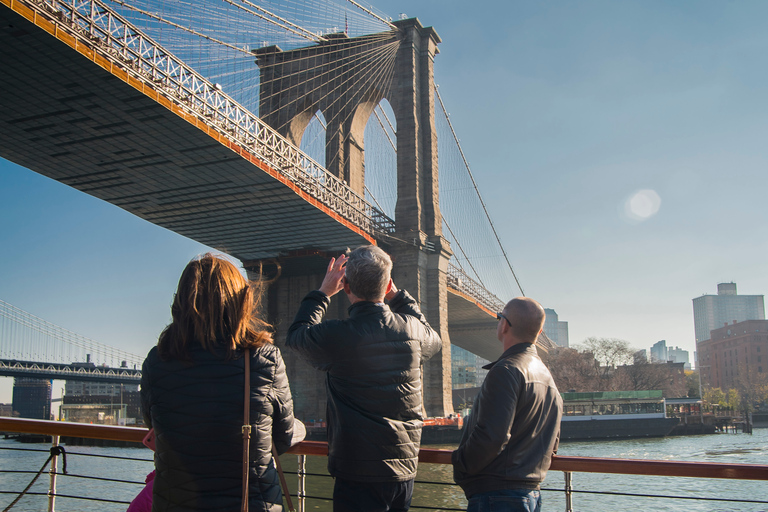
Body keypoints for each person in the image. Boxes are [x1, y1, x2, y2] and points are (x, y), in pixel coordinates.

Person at [141, 254, 304, 512]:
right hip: (251, 504)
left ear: (181, 302)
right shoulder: (264, 359)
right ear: (240, 300)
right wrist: (301, 428)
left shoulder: (157, 361)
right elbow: (282, 437)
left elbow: (155, 424)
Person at [286, 245, 442, 512]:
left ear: (345, 286)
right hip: (404, 468)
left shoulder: (337, 335)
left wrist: (323, 292)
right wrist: (397, 295)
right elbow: (434, 339)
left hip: (357, 470)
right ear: (387, 284)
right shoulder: (414, 331)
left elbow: (297, 336)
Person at [452, 297, 563, 512]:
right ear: (538, 333)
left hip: (497, 495)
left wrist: (460, 464)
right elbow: (553, 443)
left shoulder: (505, 371)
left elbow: (492, 437)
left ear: (504, 325)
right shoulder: (548, 378)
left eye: (499, 317)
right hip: (530, 494)